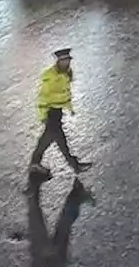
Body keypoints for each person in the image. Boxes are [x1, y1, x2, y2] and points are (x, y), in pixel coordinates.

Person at [29, 48, 93, 178]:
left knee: (45, 140)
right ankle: (75, 166)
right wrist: (43, 117)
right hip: (50, 114)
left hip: (58, 113)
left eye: (68, 61)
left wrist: (69, 107)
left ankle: (34, 164)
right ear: (58, 61)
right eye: (64, 61)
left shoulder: (66, 73)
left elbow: (65, 91)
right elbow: (42, 98)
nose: (66, 63)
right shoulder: (50, 78)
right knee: (61, 141)